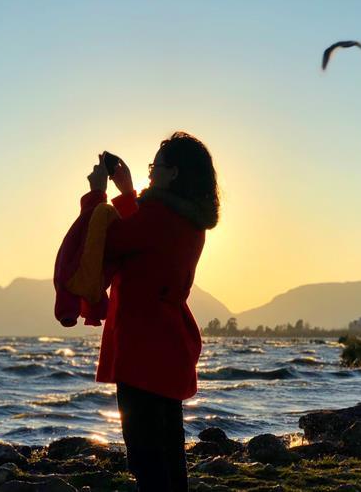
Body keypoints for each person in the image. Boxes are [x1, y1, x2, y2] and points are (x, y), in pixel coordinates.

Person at [81, 131, 219, 492]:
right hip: (170, 345)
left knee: (145, 457)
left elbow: (109, 242)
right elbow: (141, 237)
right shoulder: (189, 221)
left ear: (172, 173)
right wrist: (127, 192)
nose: (150, 172)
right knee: (170, 452)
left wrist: (97, 195)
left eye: (154, 166)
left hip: (142, 347)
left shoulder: (157, 217)